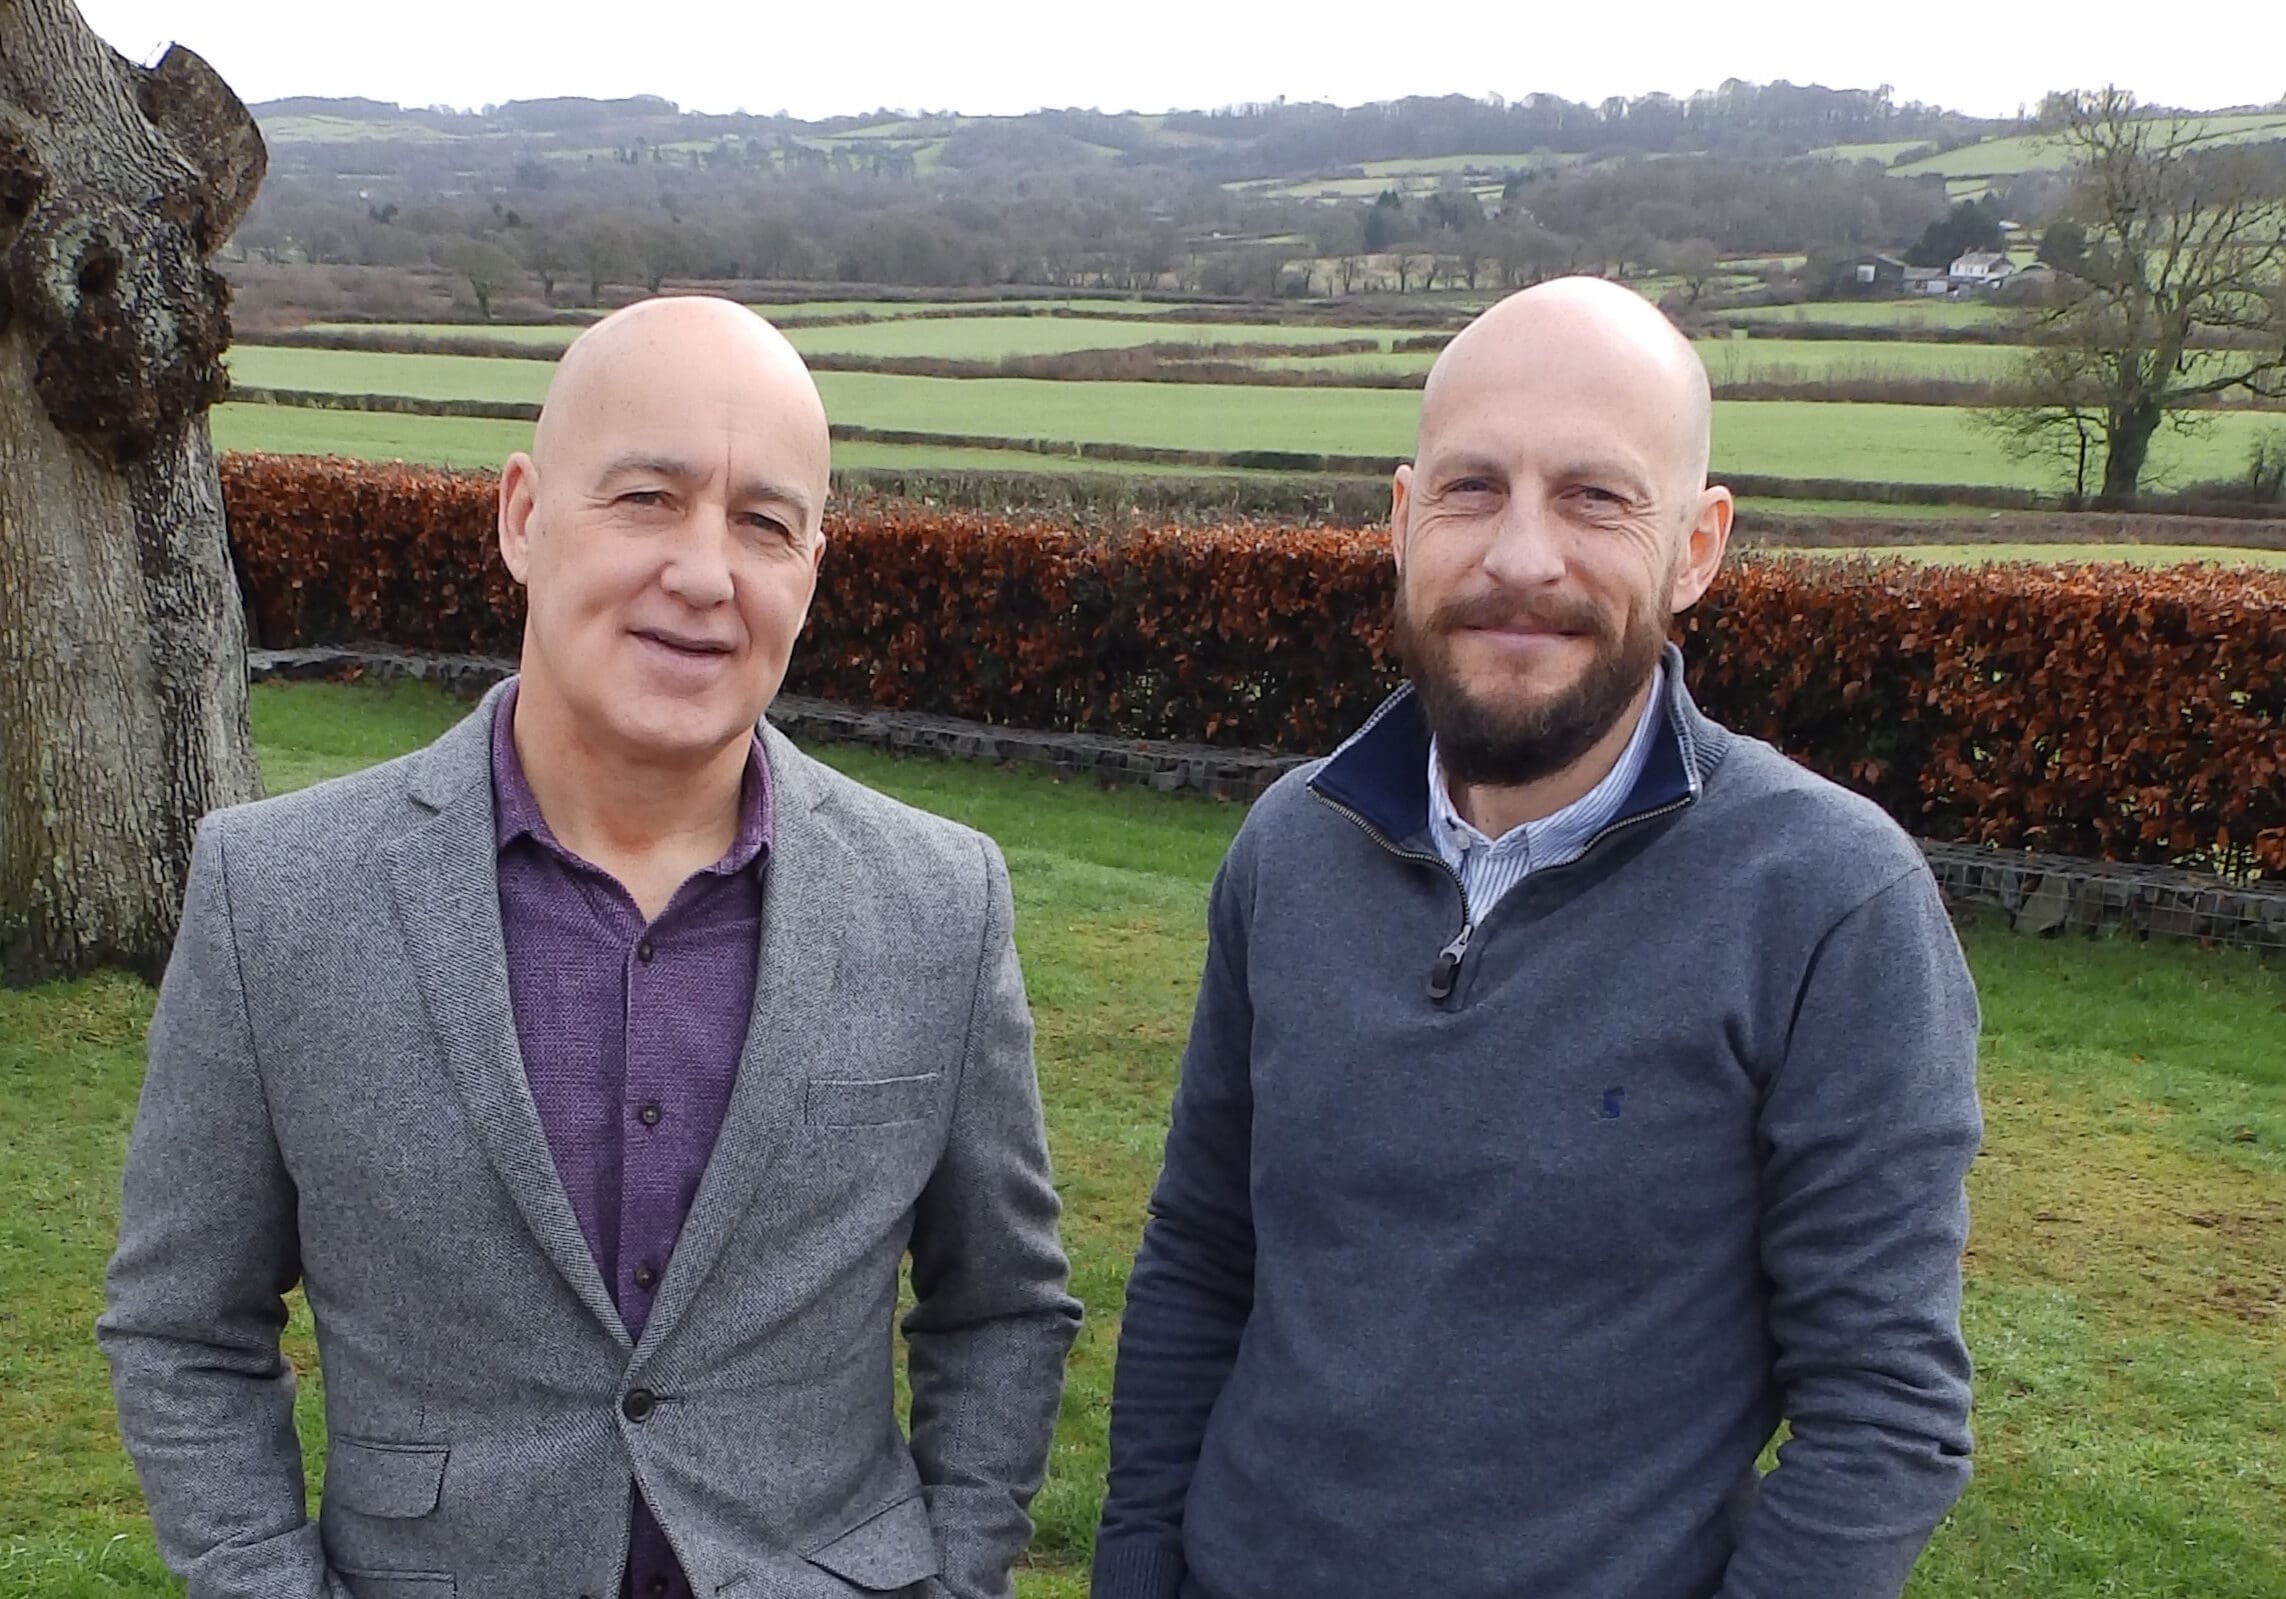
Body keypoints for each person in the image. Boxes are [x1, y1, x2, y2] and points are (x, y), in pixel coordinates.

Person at [101, 296, 1081, 1599]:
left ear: (811, 569)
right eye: (646, 497)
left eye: (764, 524)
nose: (702, 572)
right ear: (520, 515)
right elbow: (183, 1331)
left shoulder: (938, 902)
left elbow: (1001, 1310)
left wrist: (955, 1575)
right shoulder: (274, 897)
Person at [1091, 276, 1983, 1599]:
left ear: (1696, 545)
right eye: (1470, 490)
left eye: (1593, 496)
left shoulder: (1827, 901)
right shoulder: (1288, 846)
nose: (1519, 557)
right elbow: (1200, 1256)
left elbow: (1884, 1412)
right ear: (1401, 521)